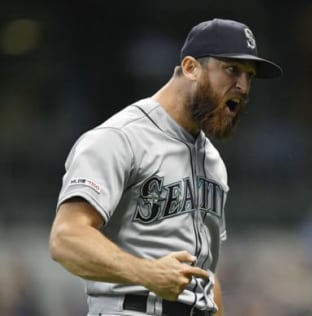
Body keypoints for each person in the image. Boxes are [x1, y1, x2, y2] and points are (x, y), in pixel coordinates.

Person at [49, 18, 282, 316]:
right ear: (190, 68)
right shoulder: (121, 138)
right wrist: (146, 273)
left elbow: (206, 275)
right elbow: (66, 239)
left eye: (249, 76)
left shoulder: (213, 161)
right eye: (231, 69)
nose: (243, 85)